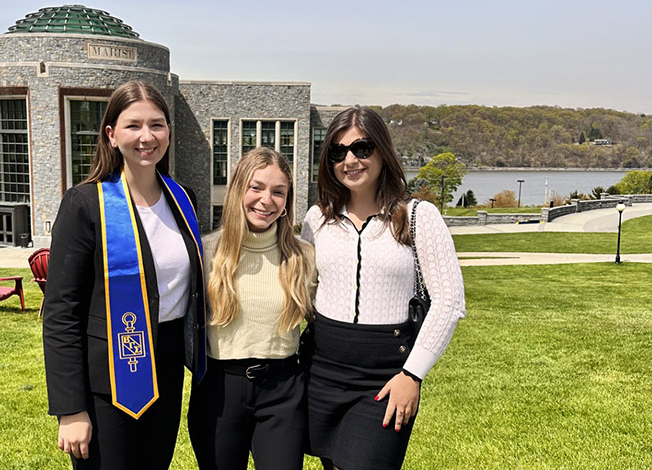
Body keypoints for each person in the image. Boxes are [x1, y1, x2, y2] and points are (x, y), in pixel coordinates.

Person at [42, 80, 206, 470]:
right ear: (112, 135)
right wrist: (70, 409)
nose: (146, 136)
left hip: (165, 372)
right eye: (133, 126)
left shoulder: (184, 199)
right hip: (107, 378)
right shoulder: (85, 204)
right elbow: (61, 312)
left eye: (157, 125)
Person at [301, 106, 466, 470]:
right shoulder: (317, 219)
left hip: (386, 375)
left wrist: (413, 374)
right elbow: (304, 289)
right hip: (322, 368)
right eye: (338, 151)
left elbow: (450, 301)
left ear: (382, 152)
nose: (350, 160)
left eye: (362, 148)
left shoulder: (419, 216)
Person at [188, 147, 315, 470]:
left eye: (278, 192)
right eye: (255, 187)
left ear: (287, 201)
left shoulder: (305, 257)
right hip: (219, 391)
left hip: (283, 392)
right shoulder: (205, 253)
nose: (266, 200)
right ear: (237, 191)